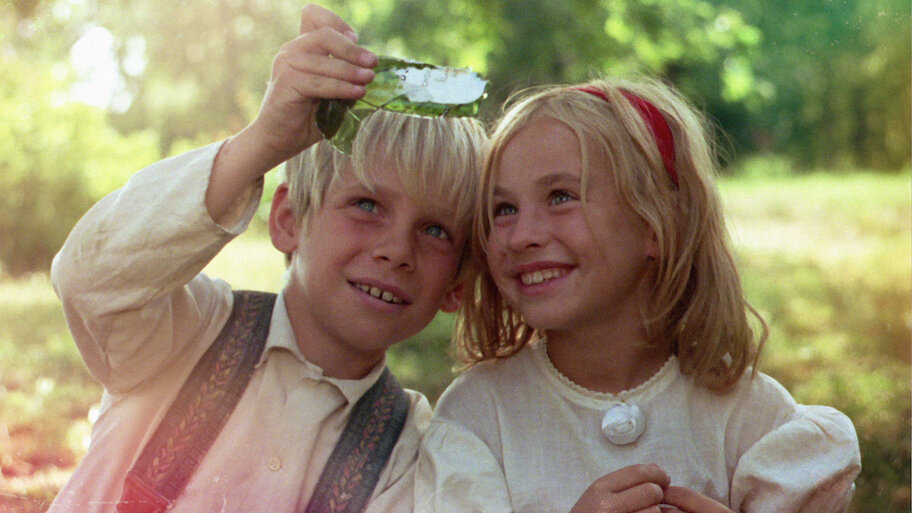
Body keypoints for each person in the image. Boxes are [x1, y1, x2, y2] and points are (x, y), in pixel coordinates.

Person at [48, 4, 487, 513]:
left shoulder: (408, 457)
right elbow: (89, 277)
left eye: (435, 231)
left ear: (457, 285)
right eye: (367, 206)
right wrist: (264, 141)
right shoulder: (185, 333)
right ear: (288, 220)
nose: (397, 250)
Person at [414, 76, 861, 513]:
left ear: (656, 225)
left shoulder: (749, 416)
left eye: (560, 196)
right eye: (504, 209)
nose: (522, 235)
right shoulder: (479, 417)